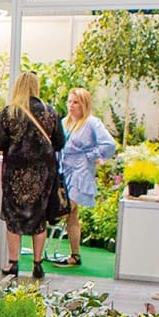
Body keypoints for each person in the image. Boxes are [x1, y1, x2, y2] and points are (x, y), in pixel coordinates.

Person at [0, 71, 66, 281]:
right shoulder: (50, 112)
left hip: (15, 172)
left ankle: (13, 263)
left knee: (13, 216)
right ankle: (38, 263)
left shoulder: (10, 112)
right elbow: (60, 142)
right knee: (39, 216)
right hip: (43, 173)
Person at [57, 88, 116, 269]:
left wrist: (92, 155)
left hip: (81, 169)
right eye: (70, 102)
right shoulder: (64, 123)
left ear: (84, 104)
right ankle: (75, 254)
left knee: (67, 207)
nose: (71, 106)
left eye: (76, 102)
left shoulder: (91, 123)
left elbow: (109, 144)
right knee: (72, 216)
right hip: (64, 168)